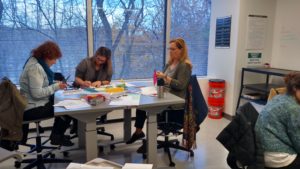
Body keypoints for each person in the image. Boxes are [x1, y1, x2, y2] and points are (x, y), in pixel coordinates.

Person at [126, 38, 192, 144]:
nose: (170, 51)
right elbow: (163, 81)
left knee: (147, 108)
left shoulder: (184, 65)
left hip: (174, 101)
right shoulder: (169, 64)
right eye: (170, 49)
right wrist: (159, 78)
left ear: (181, 50)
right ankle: (139, 133)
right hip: (163, 94)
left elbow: (180, 85)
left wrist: (165, 77)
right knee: (141, 104)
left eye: (173, 49)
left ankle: (149, 144)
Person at [19, 41, 73, 146]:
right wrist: (56, 86)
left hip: (29, 105)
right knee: (68, 108)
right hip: (32, 109)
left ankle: (57, 135)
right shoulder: (35, 68)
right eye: (54, 59)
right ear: (47, 56)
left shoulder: (34, 61)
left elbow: (39, 84)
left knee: (61, 103)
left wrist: (53, 84)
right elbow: (37, 94)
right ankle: (56, 136)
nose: (55, 62)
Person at [255, 72, 300, 169]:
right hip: (277, 158)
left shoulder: (279, 97)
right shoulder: (294, 108)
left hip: (260, 152)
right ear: (295, 88)